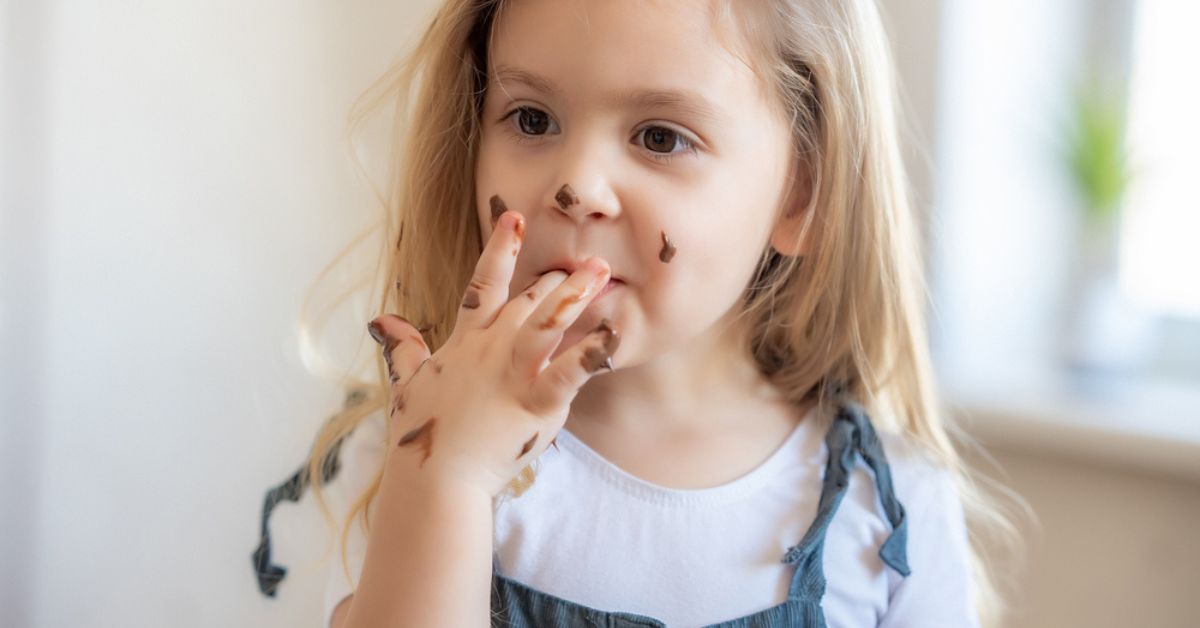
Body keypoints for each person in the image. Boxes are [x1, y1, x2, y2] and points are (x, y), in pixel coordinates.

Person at [252, 0, 1016, 626]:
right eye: (531, 119)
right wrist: (447, 477)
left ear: (800, 196)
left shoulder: (885, 510)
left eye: (660, 137)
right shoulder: (416, 443)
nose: (576, 185)